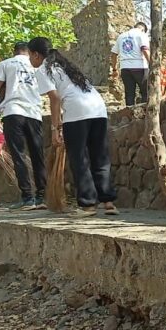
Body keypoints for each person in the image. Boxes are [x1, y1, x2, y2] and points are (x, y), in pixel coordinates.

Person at [29, 37, 118, 217]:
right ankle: (108, 202)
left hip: (77, 113)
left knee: (79, 159)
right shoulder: (66, 67)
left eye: (30, 55)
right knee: (100, 156)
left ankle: (88, 204)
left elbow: (55, 99)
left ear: (36, 55)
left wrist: (55, 129)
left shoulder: (43, 70)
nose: (31, 60)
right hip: (99, 109)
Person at [0, 42, 48, 210]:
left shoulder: (6, 64)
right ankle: (42, 197)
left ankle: (27, 198)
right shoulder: (37, 64)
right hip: (34, 113)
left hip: (14, 112)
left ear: (14, 51)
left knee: (18, 155)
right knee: (37, 155)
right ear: (29, 52)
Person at [111, 22, 151, 106]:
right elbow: (145, 50)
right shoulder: (142, 35)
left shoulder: (121, 36)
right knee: (146, 92)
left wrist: (114, 69)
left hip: (125, 68)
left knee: (129, 94)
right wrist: (152, 64)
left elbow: (114, 54)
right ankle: (144, 114)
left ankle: (129, 116)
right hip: (140, 67)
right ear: (143, 30)